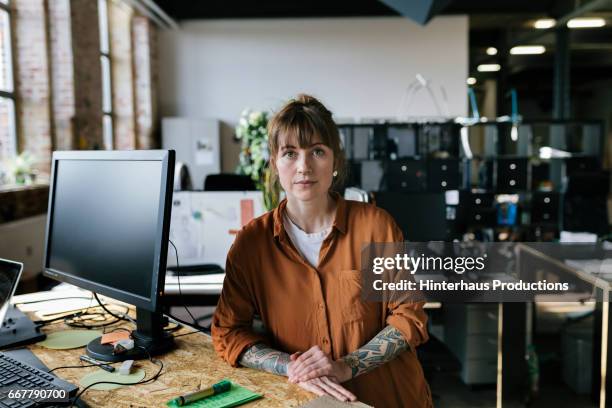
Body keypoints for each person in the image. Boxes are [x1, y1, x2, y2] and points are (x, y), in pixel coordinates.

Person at [211, 94, 432, 407]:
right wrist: (292, 366)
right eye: (290, 153)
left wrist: (345, 366)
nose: (304, 166)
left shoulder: (374, 225)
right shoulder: (252, 243)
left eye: (317, 151)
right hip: (309, 402)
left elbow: (409, 315)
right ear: (274, 163)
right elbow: (229, 332)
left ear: (335, 160)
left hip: (389, 398)